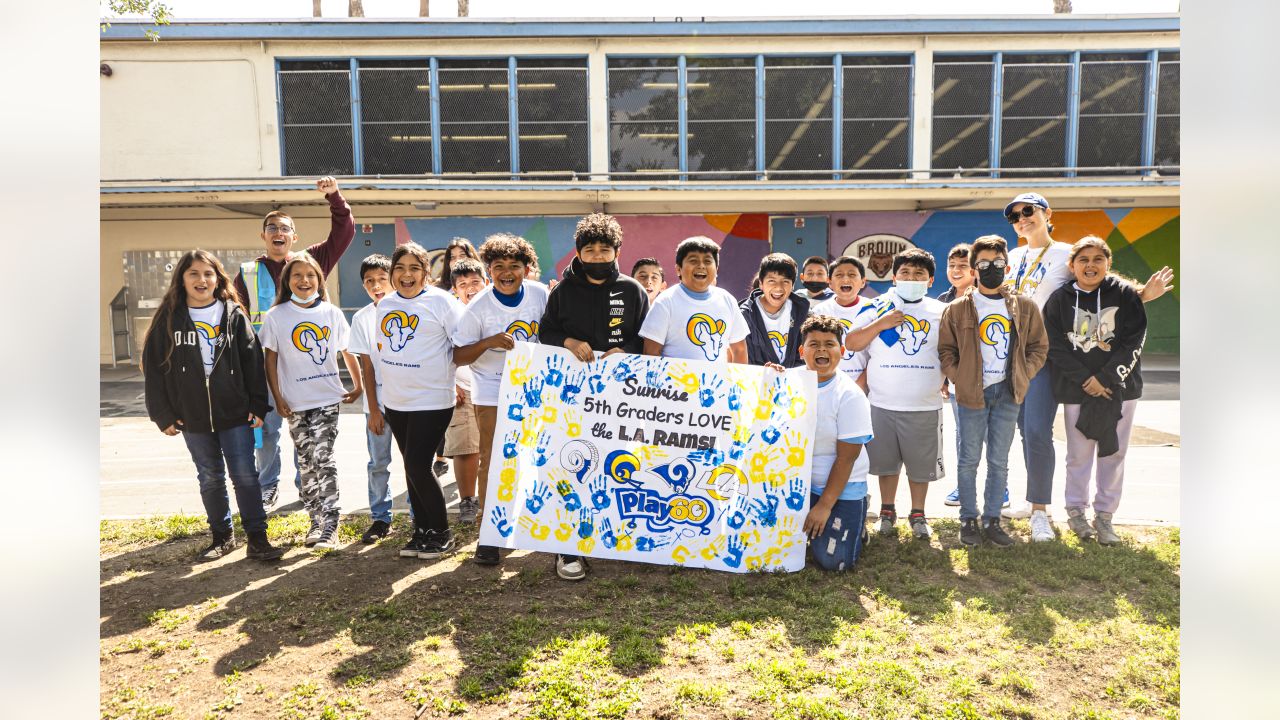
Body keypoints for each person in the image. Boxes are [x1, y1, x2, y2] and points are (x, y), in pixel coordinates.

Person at [999, 192, 1174, 524]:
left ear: (1047, 213)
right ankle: (1030, 500)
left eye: (1028, 211)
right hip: (1011, 352)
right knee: (1022, 430)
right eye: (1014, 215)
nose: (1022, 218)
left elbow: (1100, 281)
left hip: (1046, 354)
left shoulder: (1065, 252)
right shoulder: (1016, 254)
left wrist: (1141, 294)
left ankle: (1041, 506)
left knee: (1037, 431)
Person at [142, 250, 286, 563]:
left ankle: (258, 538)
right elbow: (153, 368)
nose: (201, 280)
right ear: (181, 279)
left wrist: (258, 406)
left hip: (234, 412)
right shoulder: (169, 317)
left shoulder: (233, 314)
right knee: (209, 477)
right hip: (191, 415)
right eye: (193, 273)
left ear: (217, 278)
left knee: (245, 475)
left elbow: (253, 362)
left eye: (207, 273)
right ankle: (222, 537)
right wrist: (162, 414)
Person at [539, 213, 650, 580]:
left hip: (621, 398)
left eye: (605, 250)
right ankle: (566, 548)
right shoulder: (563, 291)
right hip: (571, 398)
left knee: (621, 468)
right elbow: (546, 333)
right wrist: (569, 342)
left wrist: (625, 349)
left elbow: (645, 339)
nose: (598, 257)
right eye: (590, 250)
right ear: (579, 253)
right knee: (571, 468)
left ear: (616, 251)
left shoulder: (633, 290)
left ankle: (614, 540)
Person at [235, 177, 355, 511]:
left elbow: (344, 233)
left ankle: (309, 488)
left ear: (293, 236)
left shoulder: (310, 261)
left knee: (308, 437)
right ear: (263, 236)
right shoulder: (247, 272)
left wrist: (334, 197)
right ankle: (268, 485)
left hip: (309, 371)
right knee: (268, 433)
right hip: (265, 370)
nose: (278, 232)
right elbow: (238, 322)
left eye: (285, 228)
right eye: (271, 227)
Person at [938, 236, 1049, 547]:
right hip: (971, 394)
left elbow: (1039, 347)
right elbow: (946, 350)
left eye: (997, 264)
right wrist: (958, 376)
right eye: (984, 265)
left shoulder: (1024, 307)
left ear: (1007, 266)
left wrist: (1023, 374)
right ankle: (968, 519)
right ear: (974, 269)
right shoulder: (958, 308)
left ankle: (991, 520)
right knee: (968, 459)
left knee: (999, 460)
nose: (991, 269)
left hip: (1008, 392)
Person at [1042, 237, 1148, 546]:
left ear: (1108, 264)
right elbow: (1055, 345)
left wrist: (1105, 378)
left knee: (1113, 453)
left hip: (1121, 389)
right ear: (1072, 265)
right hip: (1077, 389)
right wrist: (1086, 380)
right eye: (1083, 259)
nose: (1091, 265)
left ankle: (1105, 516)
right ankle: (1076, 512)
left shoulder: (1126, 295)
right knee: (1078, 455)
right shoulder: (1060, 299)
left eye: (1097, 259)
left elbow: (1134, 340)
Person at [363, 242, 464, 560]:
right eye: (400, 268)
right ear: (393, 273)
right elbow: (383, 349)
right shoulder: (386, 303)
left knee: (420, 465)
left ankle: (442, 532)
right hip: (396, 401)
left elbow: (461, 347)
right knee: (411, 468)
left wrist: (460, 383)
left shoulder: (443, 302)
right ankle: (422, 531)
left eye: (414, 268)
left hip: (433, 399)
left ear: (426, 272)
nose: (407, 274)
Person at [453, 235, 550, 566]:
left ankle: (530, 526)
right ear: (488, 270)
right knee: (494, 462)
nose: (507, 273)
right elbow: (458, 355)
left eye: (515, 266)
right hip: (492, 392)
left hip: (535, 391)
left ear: (527, 269)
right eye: (498, 267)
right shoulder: (478, 307)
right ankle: (488, 536)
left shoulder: (540, 295)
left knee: (536, 460)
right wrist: (488, 342)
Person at [259, 253, 361, 550]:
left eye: (310, 275)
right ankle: (315, 520)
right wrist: (277, 398)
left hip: (327, 398)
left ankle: (331, 522)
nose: (304, 281)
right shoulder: (276, 316)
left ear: (319, 279)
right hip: (294, 402)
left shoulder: (331, 313)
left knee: (322, 456)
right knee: (305, 462)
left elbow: (347, 350)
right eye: (297, 276)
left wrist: (357, 386)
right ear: (287, 282)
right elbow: (270, 361)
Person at [846, 248, 947, 541]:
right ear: (894, 277)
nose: (911, 278)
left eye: (919, 274)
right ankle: (887, 510)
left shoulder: (941, 311)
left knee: (920, 466)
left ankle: (918, 514)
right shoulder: (877, 306)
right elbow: (852, 342)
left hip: (925, 405)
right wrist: (882, 324)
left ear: (930, 280)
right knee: (885, 463)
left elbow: (952, 350)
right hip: (882, 403)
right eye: (905, 273)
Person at [798, 315, 875, 572]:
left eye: (829, 344)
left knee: (834, 562)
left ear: (841, 351)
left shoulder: (850, 396)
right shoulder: (788, 382)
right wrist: (767, 377)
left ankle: (857, 519)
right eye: (814, 344)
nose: (821, 350)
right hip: (797, 485)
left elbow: (846, 459)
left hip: (840, 488)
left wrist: (824, 506)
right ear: (802, 351)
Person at [938, 243, 1009, 509]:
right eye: (951, 266)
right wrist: (950, 377)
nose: (956, 271)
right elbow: (945, 347)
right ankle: (963, 487)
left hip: (997, 383)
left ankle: (1000, 488)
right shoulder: (944, 302)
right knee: (964, 436)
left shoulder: (996, 299)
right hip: (963, 386)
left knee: (995, 436)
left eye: (962, 266)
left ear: (974, 270)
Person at [348, 253, 399, 544]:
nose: (376, 285)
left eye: (382, 279)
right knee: (378, 462)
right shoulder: (362, 318)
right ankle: (380, 517)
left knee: (416, 462)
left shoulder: (409, 310)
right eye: (369, 281)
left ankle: (422, 515)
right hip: (377, 403)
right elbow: (367, 366)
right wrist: (374, 409)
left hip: (408, 401)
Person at [641, 236, 749, 364]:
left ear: (717, 269)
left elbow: (739, 350)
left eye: (708, 261)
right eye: (693, 261)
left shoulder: (727, 300)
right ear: (678, 269)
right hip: (675, 383)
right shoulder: (665, 302)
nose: (701, 266)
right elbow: (651, 353)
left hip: (717, 383)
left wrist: (737, 383)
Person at [444, 257, 488, 527]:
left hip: (497, 389)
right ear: (455, 290)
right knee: (466, 449)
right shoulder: (452, 315)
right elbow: (441, 354)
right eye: (463, 284)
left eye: (475, 282)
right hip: (463, 390)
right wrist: (452, 383)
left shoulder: (494, 308)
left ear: (486, 282)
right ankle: (468, 500)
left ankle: (493, 499)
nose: (470, 288)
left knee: (493, 450)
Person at [738, 253, 810, 367]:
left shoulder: (803, 313)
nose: (778, 287)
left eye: (785, 281)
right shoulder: (744, 315)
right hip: (757, 382)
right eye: (772, 281)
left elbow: (806, 355)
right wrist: (766, 372)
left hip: (792, 382)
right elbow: (741, 359)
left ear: (793, 286)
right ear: (761, 284)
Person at [811, 256, 870, 391]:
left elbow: (878, 354)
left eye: (852, 274)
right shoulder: (819, 311)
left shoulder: (873, 309)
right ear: (830, 282)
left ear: (863, 282)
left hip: (863, 386)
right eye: (839, 275)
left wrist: (860, 385)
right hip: (827, 385)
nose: (845, 279)